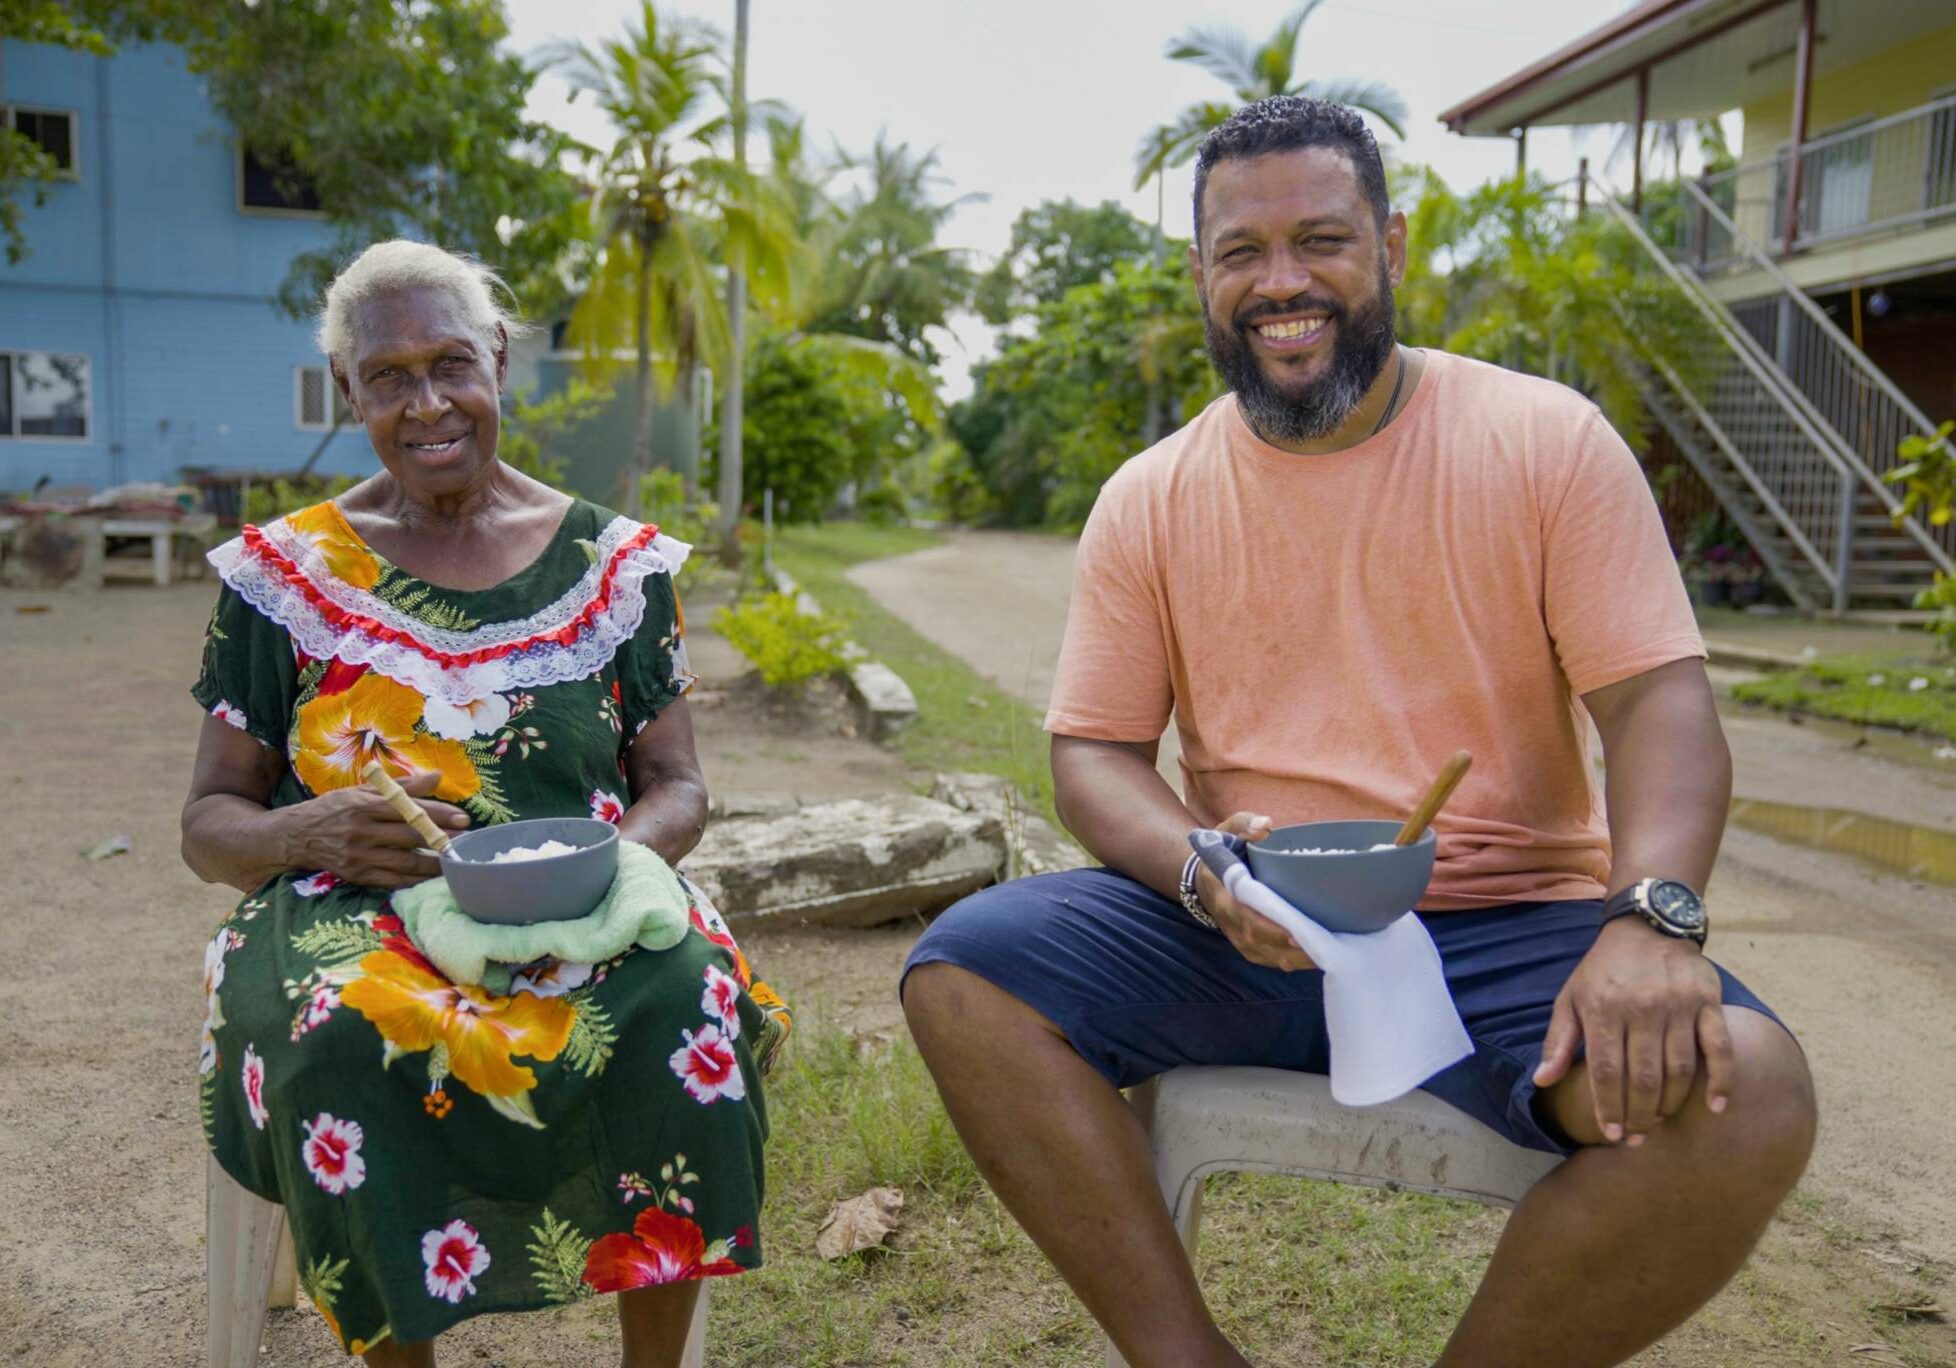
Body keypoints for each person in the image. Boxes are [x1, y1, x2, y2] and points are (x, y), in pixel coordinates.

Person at [901, 97, 1816, 1368]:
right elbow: (1095, 755)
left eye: (1321, 240)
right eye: (1242, 253)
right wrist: (1201, 869)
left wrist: (1647, 916)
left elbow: (1657, 704)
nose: (1283, 284)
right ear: (1201, 273)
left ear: (1392, 244)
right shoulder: (1150, 497)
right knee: (966, 971)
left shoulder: (1543, 442)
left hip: (1512, 931)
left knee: (1747, 1087)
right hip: (1248, 934)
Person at [181, 240, 788, 1367]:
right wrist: (305, 829)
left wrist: (606, 864)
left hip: (584, 895)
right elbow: (209, 822)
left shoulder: (617, 566)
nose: (427, 405)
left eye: (451, 364)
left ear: (500, 361)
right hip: (347, 908)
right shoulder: (285, 576)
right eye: (387, 379)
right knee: (344, 1033)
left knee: (686, 995)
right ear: (351, 394)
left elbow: (679, 786)